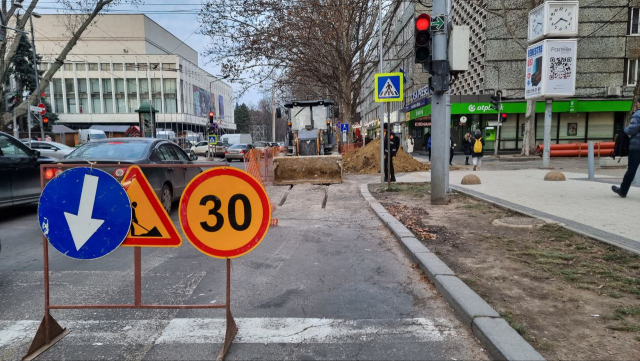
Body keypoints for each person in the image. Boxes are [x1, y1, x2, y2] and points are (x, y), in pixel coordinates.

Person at [612, 100, 640, 198]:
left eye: (638, 102)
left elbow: (633, 128)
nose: (637, 104)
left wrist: (625, 129)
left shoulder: (638, 114)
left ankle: (623, 191)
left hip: (637, 146)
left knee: (631, 169)